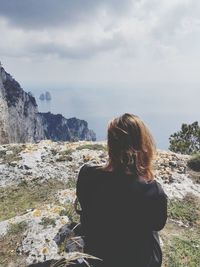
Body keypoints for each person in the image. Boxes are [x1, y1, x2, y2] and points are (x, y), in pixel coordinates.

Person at [76, 113, 168, 267]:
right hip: (138, 261)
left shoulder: (87, 174)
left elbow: (83, 203)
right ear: (143, 146)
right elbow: (158, 225)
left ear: (111, 145)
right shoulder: (153, 191)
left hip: (96, 255)